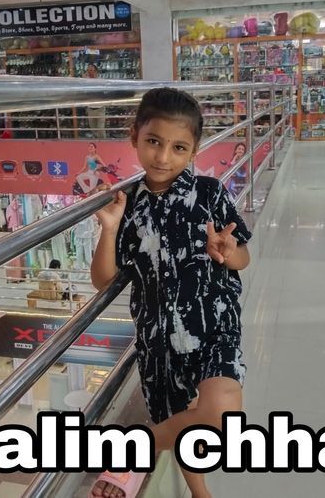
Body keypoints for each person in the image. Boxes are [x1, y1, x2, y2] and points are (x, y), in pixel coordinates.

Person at [90, 88, 251, 498]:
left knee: (219, 416)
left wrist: (228, 252)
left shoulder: (210, 194)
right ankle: (200, 491)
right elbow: (103, 279)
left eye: (178, 147)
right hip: (158, 337)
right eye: (153, 142)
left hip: (213, 326)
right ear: (135, 137)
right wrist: (109, 229)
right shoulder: (127, 207)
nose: (163, 157)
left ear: (194, 149)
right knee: (178, 418)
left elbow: (243, 258)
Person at [84, 63, 106, 139]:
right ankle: (98, 141)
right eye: (88, 70)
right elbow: (84, 93)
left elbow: (101, 93)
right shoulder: (85, 81)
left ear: (96, 71)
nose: (89, 72)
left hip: (100, 109)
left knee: (101, 128)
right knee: (93, 128)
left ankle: (103, 143)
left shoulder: (100, 81)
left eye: (91, 70)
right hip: (90, 109)